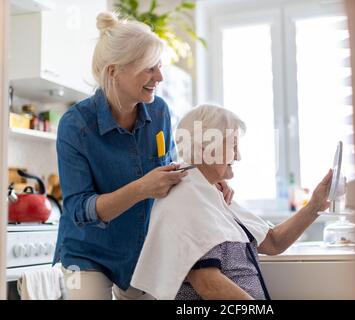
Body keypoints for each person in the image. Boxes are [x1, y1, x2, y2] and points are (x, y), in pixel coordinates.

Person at [53, 13, 233, 300]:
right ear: (115, 71)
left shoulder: (159, 110)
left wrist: (206, 184)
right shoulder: (75, 125)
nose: (160, 77)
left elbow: (171, 169)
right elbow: (78, 211)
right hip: (85, 254)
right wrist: (142, 188)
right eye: (149, 68)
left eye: (159, 66)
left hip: (142, 249)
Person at [131, 104, 332, 300]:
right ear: (205, 148)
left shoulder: (213, 193)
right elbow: (207, 284)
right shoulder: (185, 197)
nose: (238, 155)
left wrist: (314, 206)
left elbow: (273, 242)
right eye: (233, 145)